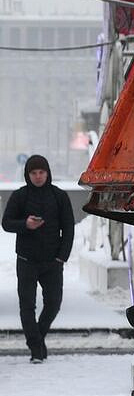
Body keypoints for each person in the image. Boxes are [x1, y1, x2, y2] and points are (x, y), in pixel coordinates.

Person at [4, 155, 73, 363]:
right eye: (34, 173)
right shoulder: (20, 196)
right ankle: (36, 351)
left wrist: (62, 257)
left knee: (53, 304)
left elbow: (68, 228)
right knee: (27, 306)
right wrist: (25, 224)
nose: (38, 176)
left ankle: (36, 340)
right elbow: (6, 223)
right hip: (26, 260)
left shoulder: (59, 196)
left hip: (53, 261)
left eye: (41, 172)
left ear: (47, 172)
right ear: (28, 174)